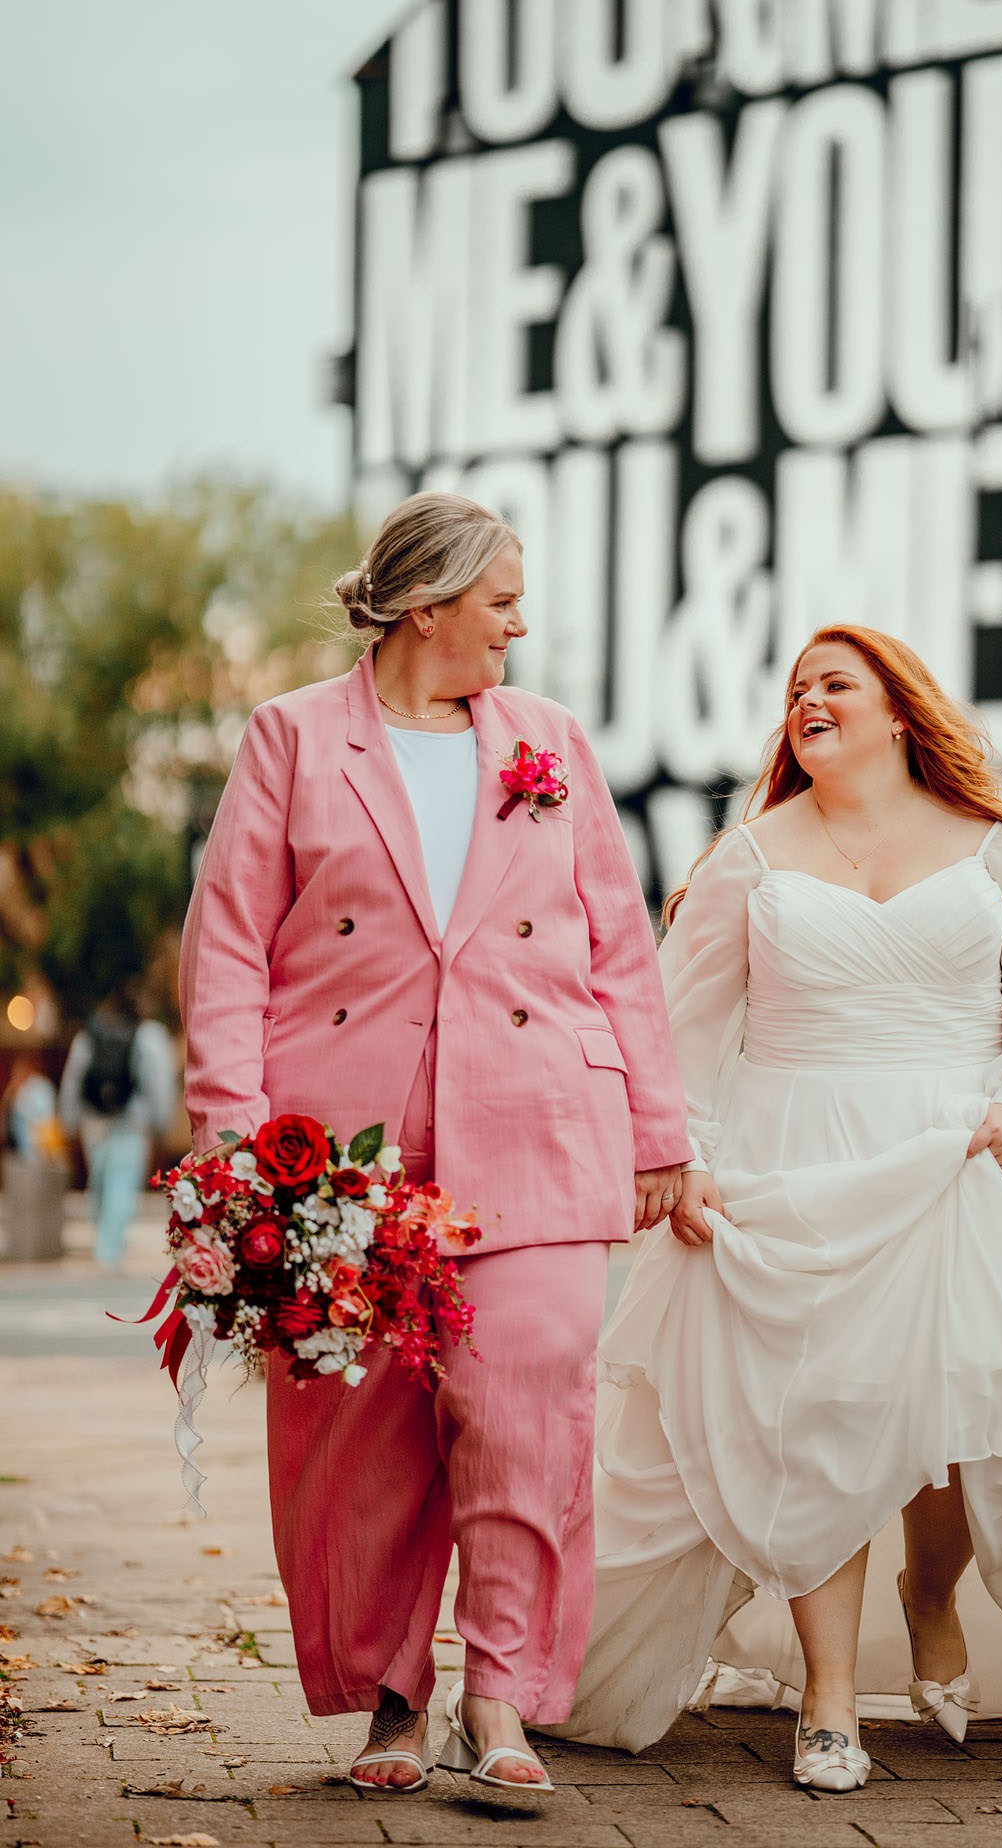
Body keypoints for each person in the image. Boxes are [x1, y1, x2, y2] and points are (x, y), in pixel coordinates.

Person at [554, 625, 1002, 1780]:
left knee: (948, 1419)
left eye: (837, 682)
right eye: (795, 689)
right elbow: (678, 1032)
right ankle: (826, 1694)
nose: (809, 699)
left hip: (960, 1155)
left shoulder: (998, 851)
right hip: (793, 1159)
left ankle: (933, 1592)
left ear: (897, 710)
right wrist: (689, 1153)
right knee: (816, 1412)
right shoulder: (749, 857)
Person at [178, 492, 691, 1799]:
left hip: (537, 1129)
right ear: (428, 605)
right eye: (502, 595)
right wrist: (234, 1144)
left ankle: (503, 1696)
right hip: (336, 1156)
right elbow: (229, 947)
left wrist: (657, 1130)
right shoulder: (290, 738)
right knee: (361, 1436)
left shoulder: (552, 745)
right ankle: (394, 1701)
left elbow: (622, 954)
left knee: (528, 1406)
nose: (522, 619)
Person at [58, 989, 177, 1266]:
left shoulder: (90, 1034)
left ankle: (104, 1236)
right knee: (121, 1181)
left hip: (93, 1119)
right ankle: (109, 1248)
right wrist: (160, 1123)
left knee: (100, 1179)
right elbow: (158, 1083)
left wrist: (68, 1119)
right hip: (131, 1121)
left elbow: (73, 1079)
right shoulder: (150, 1035)